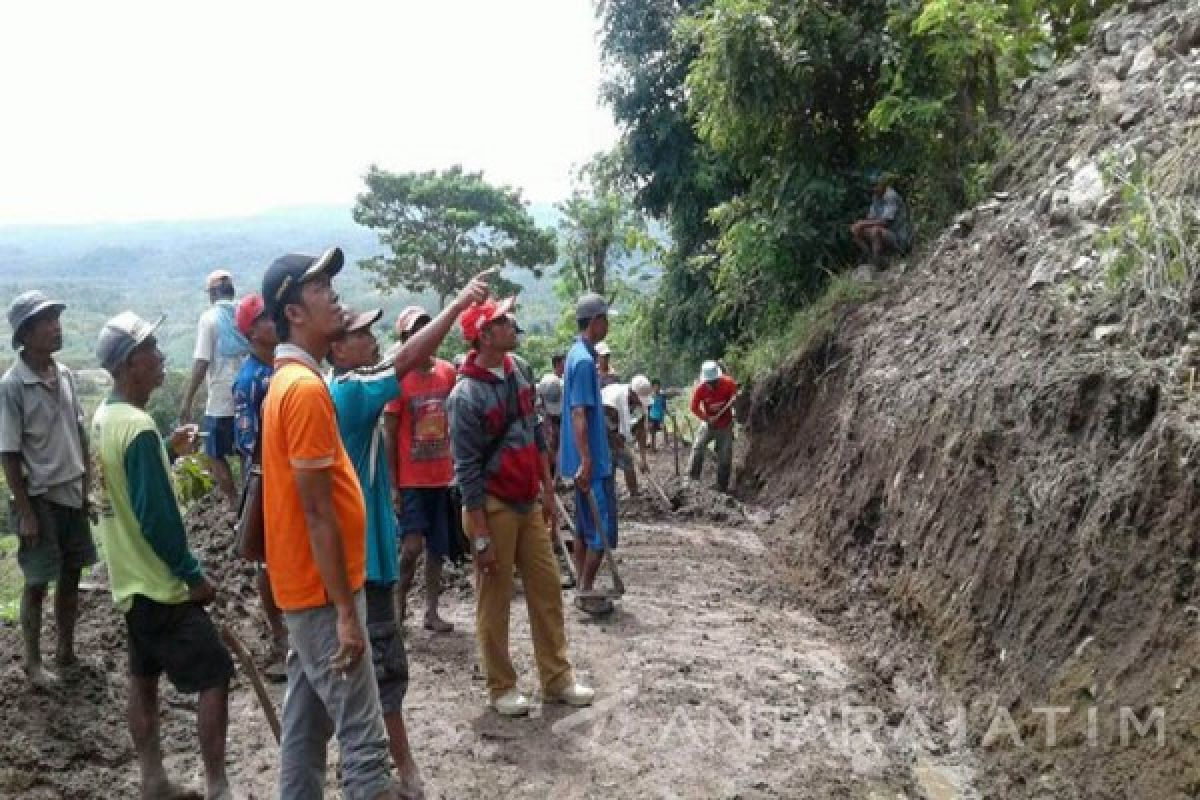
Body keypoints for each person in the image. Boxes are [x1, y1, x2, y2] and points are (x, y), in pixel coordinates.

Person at [262, 247, 484, 800]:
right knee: (364, 746)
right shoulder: (310, 391)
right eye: (320, 287)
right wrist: (344, 612)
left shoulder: (290, 383)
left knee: (305, 733)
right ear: (293, 311)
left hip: (307, 588)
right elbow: (317, 512)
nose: (334, 294)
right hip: (323, 592)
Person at [91, 311, 235, 800]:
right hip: (162, 585)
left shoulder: (106, 418)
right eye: (152, 350)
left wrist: (166, 456)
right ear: (131, 363)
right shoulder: (139, 428)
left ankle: (153, 780)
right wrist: (193, 576)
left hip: (128, 582)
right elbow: (158, 520)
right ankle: (217, 784)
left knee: (143, 676)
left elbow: (123, 492)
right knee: (215, 673)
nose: (161, 358)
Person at [447, 297, 594, 717]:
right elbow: (467, 469)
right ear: (485, 335)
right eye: (502, 321)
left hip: (527, 498)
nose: (513, 324)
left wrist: (547, 491)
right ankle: (501, 686)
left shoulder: (520, 371)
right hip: (490, 505)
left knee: (546, 589)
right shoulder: (465, 395)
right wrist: (479, 535)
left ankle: (557, 678)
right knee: (494, 598)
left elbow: (533, 434)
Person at [0, 291, 97, 690]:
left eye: (57, 318)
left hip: (71, 492)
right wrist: (24, 512)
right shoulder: (12, 386)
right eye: (46, 321)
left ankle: (66, 651)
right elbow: (8, 452)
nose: (56, 326)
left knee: (72, 574)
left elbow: (79, 435)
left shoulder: (67, 376)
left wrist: (87, 487)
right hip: (38, 498)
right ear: (25, 334)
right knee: (38, 581)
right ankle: (33, 663)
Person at [383, 306, 458, 634]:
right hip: (412, 480)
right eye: (415, 332)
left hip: (441, 477)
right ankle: (398, 608)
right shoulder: (398, 382)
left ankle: (431, 610)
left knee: (438, 548)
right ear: (405, 340)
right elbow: (389, 433)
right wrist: (393, 485)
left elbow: (454, 421)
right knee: (411, 547)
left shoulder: (447, 373)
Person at [231, 292, 288, 680]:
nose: (274, 322)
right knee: (267, 559)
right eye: (266, 318)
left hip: (295, 474)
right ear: (251, 331)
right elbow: (248, 440)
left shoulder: (287, 365)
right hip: (269, 479)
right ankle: (280, 634)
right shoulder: (249, 380)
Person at [559, 293, 617, 598]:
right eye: (606, 320)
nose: (608, 326)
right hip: (592, 464)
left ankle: (583, 585)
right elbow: (578, 412)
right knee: (601, 531)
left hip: (586, 461)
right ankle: (586, 588)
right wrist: (586, 459)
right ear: (596, 322)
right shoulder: (582, 361)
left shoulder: (576, 355)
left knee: (584, 528)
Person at [180, 270, 248, 507]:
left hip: (221, 397)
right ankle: (252, 500)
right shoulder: (245, 313)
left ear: (212, 294)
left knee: (214, 453)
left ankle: (233, 503)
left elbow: (201, 362)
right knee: (246, 449)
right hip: (249, 393)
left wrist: (187, 399)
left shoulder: (209, 319)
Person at [688, 360, 738, 493]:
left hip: (725, 425)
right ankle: (692, 481)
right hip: (708, 424)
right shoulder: (700, 389)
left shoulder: (728, 383)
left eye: (714, 381)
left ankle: (722, 487)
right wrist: (706, 418)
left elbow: (735, 395)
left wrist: (734, 398)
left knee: (725, 457)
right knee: (698, 448)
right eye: (710, 382)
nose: (712, 384)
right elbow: (693, 407)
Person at [601, 376, 654, 496]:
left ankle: (634, 493)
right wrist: (613, 435)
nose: (641, 402)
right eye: (639, 399)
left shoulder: (641, 405)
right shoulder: (613, 399)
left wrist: (643, 459)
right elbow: (599, 420)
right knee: (608, 463)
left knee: (628, 460)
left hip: (618, 432)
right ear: (632, 392)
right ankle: (609, 496)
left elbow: (641, 430)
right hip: (602, 432)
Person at [850, 173, 912, 265]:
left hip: (898, 236)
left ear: (882, 184)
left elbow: (885, 222)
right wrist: (859, 226)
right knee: (856, 230)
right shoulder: (876, 197)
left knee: (876, 231)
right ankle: (871, 258)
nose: (874, 189)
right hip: (886, 234)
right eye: (872, 186)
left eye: (876, 185)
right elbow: (870, 219)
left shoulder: (891, 196)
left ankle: (879, 262)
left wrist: (862, 223)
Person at [646, 379, 670, 451]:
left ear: (659, 387)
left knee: (664, 430)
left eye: (658, 386)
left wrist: (668, 413)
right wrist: (648, 419)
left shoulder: (662, 396)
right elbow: (648, 408)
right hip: (652, 417)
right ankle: (653, 448)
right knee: (653, 433)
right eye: (655, 386)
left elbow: (664, 407)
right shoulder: (650, 397)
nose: (656, 388)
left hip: (660, 417)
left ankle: (666, 445)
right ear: (652, 387)